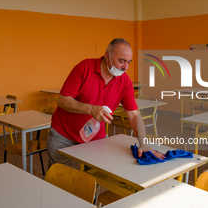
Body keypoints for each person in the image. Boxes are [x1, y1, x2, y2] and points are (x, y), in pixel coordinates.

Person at [46, 38, 165, 168]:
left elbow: (134, 116)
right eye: (122, 61)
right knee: (59, 177)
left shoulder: (125, 82)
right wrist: (90, 109)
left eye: (129, 62)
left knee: (94, 176)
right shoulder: (85, 67)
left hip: (95, 137)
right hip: (64, 133)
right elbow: (63, 101)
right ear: (107, 56)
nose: (125, 67)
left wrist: (144, 144)